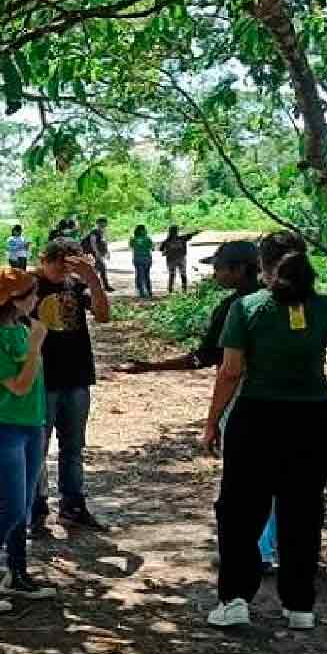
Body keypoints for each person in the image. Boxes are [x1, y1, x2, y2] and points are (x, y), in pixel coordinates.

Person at [202, 231, 327, 629]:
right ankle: (299, 606)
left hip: (257, 419)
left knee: (241, 512)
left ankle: (234, 600)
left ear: (263, 268)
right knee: (302, 508)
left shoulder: (247, 307)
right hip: (312, 420)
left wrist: (212, 421)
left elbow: (231, 371)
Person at [115, 241, 277, 570]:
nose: (214, 274)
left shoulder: (237, 309)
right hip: (294, 402)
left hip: (247, 401)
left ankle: (255, 551)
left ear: (239, 270)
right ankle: (278, 547)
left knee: (244, 479)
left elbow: (212, 362)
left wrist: (211, 420)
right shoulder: (287, 302)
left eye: (219, 268)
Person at [0, 267, 58, 611]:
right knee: (11, 508)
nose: (36, 300)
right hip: (2, 427)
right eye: (30, 294)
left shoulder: (21, 329)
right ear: (12, 302)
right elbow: (19, 386)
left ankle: (16, 573)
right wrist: (35, 348)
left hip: (32, 424)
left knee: (24, 504)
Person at [29, 238, 111, 536]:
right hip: (41, 379)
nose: (63, 272)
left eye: (70, 266)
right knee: (37, 447)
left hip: (76, 377)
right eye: (58, 265)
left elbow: (103, 316)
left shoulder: (77, 285)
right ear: (45, 260)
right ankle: (35, 510)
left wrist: (93, 280)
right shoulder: (28, 284)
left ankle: (73, 507)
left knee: (73, 447)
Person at [159, 225, 200, 293]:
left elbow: (160, 249)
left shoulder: (167, 241)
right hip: (181, 258)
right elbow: (191, 235)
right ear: (177, 231)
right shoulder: (182, 238)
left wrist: (166, 251)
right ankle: (184, 290)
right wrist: (197, 231)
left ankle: (170, 290)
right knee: (183, 274)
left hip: (171, 259)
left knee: (172, 274)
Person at [82, 217, 114, 292]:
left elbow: (103, 243)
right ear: (98, 224)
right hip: (90, 254)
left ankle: (100, 286)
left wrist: (107, 252)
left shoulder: (101, 232)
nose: (103, 225)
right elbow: (93, 243)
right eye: (101, 224)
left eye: (104, 224)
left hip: (94, 254)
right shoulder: (94, 232)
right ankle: (104, 286)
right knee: (99, 268)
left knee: (98, 269)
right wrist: (97, 253)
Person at [128, 225, 155, 298]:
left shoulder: (133, 239)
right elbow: (152, 248)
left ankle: (141, 291)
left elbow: (131, 246)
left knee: (140, 275)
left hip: (138, 259)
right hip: (146, 259)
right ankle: (148, 291)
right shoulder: (147, 238)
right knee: (146, 275)